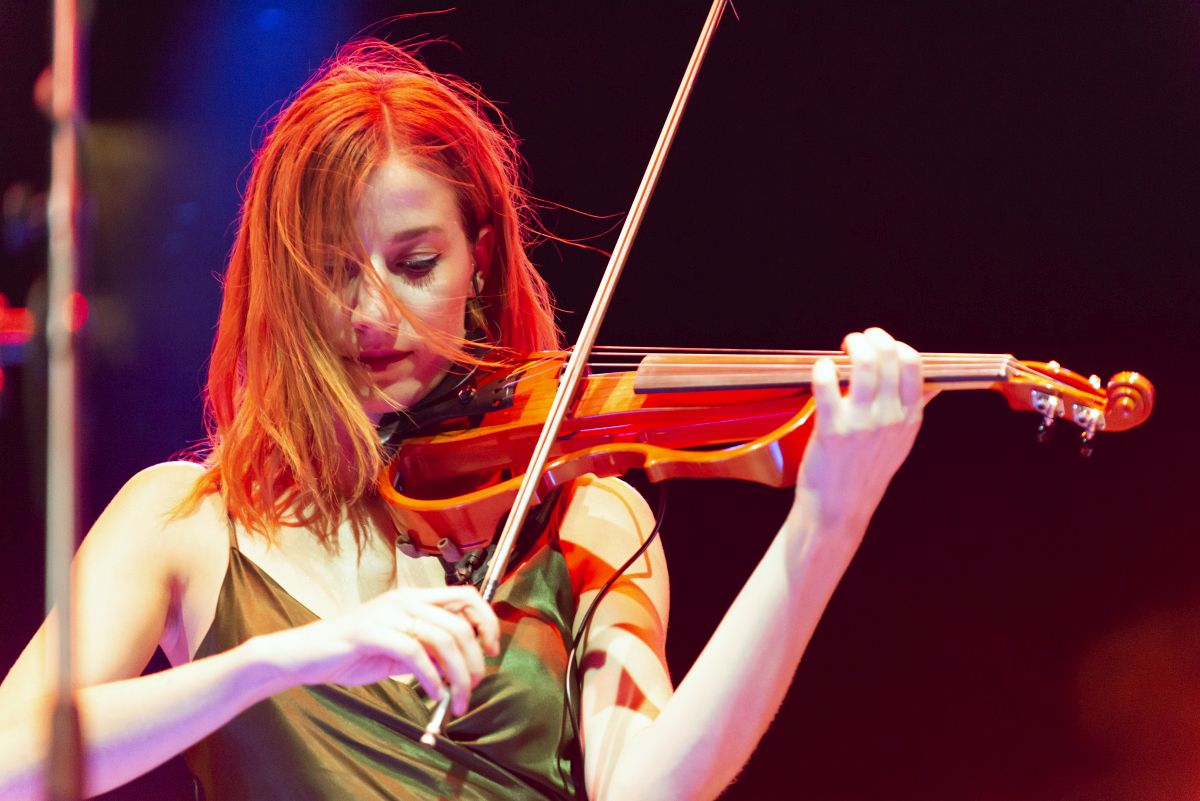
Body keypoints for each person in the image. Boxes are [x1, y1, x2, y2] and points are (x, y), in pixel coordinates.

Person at [0, 41, 925, 800]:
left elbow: (650, 787)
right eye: (333, 271)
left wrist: (825, 523)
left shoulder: (584, 518)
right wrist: (280, 662)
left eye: (415, 265)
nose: (373, 314)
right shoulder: (190, 520)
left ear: (479, 258)